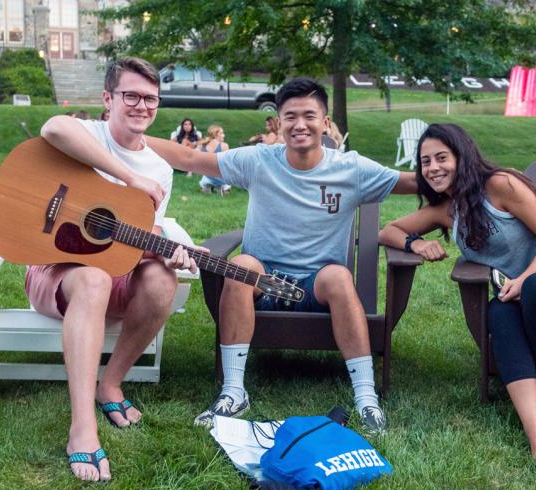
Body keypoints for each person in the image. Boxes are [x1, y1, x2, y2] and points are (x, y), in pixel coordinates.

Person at [146, 78, 417, 434]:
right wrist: (121, 133)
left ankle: (366, 399)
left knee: (338, 276)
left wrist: (475, 179)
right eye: (290, 116)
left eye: (309, 116)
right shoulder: (258, 161)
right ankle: (233, 391)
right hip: (265, 281)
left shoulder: (350, 168)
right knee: (241, 266)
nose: (299, 124)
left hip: (318, 286)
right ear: (279, 121)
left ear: (325, 122)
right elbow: (191, 158)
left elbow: (413, 182)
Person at [378, 123, 536, 463]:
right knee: (498, 311)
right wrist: (417, 243)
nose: (433, 167)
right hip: (518, 301)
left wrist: (524, 278)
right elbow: (388, 231)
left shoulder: (500, 185)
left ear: (461, 157)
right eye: (425, 161)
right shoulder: (448, 211)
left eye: (441, 158)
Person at [31, 57, 199, 482]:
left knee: (163, 277)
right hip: (56, 269)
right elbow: (52, 128)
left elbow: (136, 233)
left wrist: (163, 249)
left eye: (151, 99)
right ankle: (82, 427)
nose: (142, 106)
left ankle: (111, 383)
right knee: (92, 276)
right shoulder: (90, 133)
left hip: (112, 273)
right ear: (108, 99)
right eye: (131, 96)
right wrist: (128, 177)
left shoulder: (161, 169)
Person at [197, 124, 231, 195]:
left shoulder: (202, 145)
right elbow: (227, 163)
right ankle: (218, 188)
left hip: (207, 175)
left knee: (207, 179)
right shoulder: (224, 145)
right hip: (221, 177)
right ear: (215, 134)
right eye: (221, 133)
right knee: (227, 190)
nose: (224, 135)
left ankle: (209, 187)